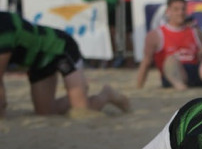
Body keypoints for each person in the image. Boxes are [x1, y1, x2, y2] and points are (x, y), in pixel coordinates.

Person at [0, 11, 130, 118]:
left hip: (60, 48)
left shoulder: (4, 28)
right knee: (45, 112)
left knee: (82, 111)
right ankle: (79, 93)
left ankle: (106, 94)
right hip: (38, 62)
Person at [136, 0, 202, 90]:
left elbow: (200, 56)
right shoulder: (156, 34)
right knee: (171, 59)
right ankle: (180, 86)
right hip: (173, 73)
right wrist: (139, 86)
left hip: (196, 72)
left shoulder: (194, 31)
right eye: (176, 9)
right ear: (168, 11)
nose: (180, 12)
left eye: (183, 9)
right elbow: (146, 61)